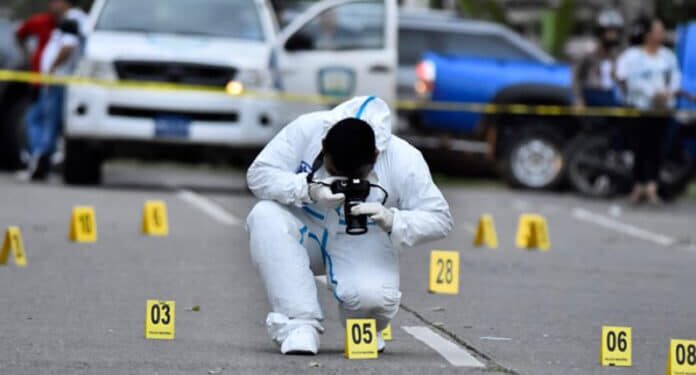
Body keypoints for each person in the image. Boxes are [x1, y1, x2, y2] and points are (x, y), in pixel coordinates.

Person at [246, 96, 453, 355]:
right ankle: (298, 324)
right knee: (265, 215)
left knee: (373, 301)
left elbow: (440, 218)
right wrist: (308, 189)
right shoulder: (306, 128)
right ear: (323, 148)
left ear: (376, 156)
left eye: (355, 177)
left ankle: (365, 324)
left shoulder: (404, 158)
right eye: (335, 173)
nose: (345, 182)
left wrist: (393, 220)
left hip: (362, 236)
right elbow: (258, 174)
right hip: (306, 228)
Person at [616, 16, 682, 205]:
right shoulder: (633, 56)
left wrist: (667, 94)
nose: (660, 34)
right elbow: (627, 78)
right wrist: (651, 94)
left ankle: (652, 187)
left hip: (662, 110)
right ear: (647, 34)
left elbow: (675, 79)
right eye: (657, 30)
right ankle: (637, 186)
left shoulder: (667, 56)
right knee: (639, 148)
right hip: (640, 109)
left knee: (657, 149)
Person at [23, 0, 86, 181]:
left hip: (57, 79)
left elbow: (68, 45)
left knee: (41, 121)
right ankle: (44, 158)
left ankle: (41, 158)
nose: (52, 5)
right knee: (46, 121)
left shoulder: (73, 19)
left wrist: (52, 68)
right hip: (56, 79)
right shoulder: (72, 19)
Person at [573, 9, 625, 108]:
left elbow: (620, 80)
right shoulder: (589, 52)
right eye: (610, 31)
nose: (613, 36)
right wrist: (578, 98)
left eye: (616, 32)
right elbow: (576, 76)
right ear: (600, 32)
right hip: (592, 95)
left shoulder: (618, 56)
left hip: (610, 97)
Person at [15, 11, 56, 76]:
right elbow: (20, 34)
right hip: (38, 71)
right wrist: (27, 54)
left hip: (62, 74)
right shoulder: (41, 21)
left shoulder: (72, 21)